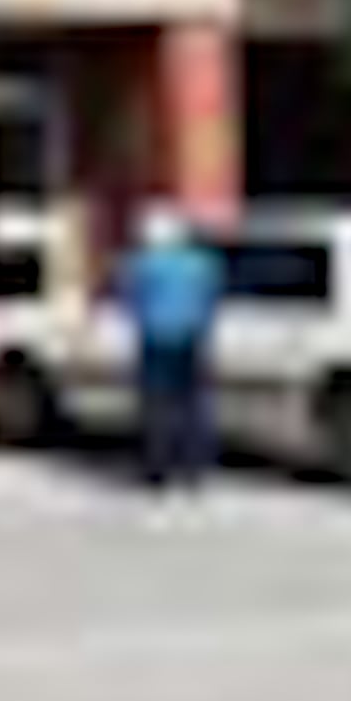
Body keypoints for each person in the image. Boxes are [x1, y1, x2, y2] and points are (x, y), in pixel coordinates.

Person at [119, 205, 225, 494]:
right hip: (193, 338)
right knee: (193, 406)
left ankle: (157, 471)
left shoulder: (141, 263)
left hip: (155, 340)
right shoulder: (202, 263)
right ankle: (194, 470)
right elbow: (212, 296)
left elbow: (128, 298)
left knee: (157, 407)